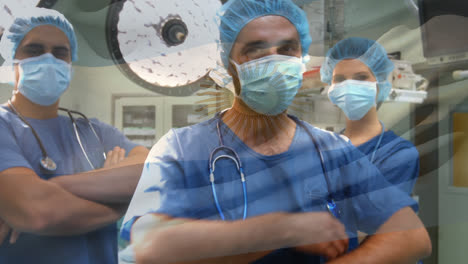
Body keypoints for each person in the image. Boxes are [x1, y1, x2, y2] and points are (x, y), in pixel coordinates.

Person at [121, 0, 431, 263]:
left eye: (287, 49)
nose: (275, 62)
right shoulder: (181, 148)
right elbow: (147, 244)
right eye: (256, 51)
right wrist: (280, 231)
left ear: (302, 58)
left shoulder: (333, 151)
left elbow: (411, 236)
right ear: (228, 64)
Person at [0, 8, 149, 264]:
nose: (49, 59)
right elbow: (40, 212)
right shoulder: (4, 126)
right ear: (10, 59)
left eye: (60, 53)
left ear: (71, 64)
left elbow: (150, 170)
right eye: (34, 50)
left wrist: (53, 187)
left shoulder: (92, 130)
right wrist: (121, 201)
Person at [321, 37, 419, 195]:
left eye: (361, 77)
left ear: (379, 85)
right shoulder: (326, 149)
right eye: (339, 79)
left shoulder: (398, 153)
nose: (348, 86)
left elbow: (382, 212)